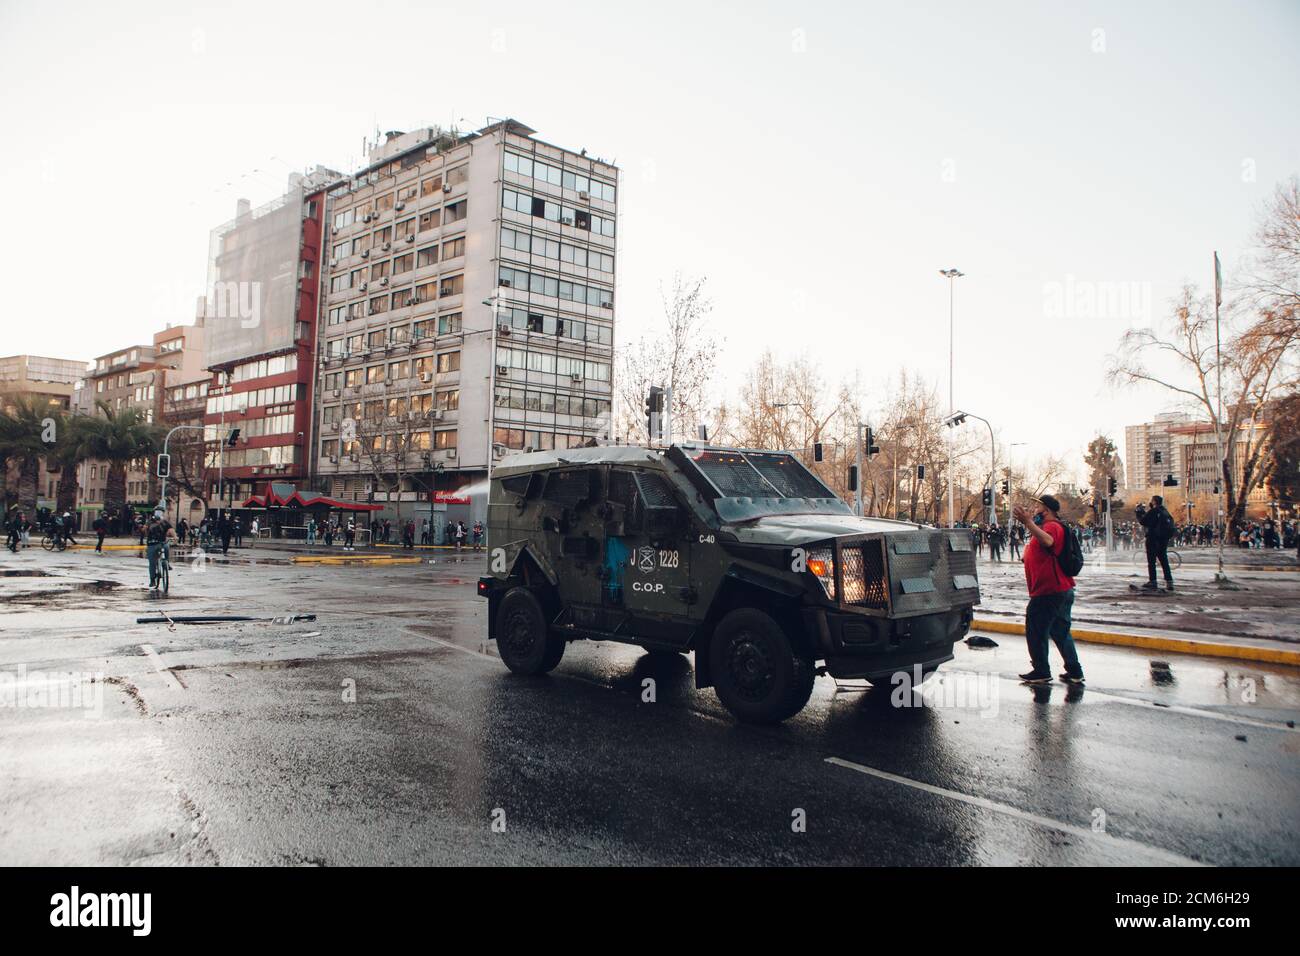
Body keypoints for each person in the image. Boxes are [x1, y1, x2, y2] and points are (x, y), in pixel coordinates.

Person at [1012, 494, 1084, 685]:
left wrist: (1028, 522)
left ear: (1046, 510)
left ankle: (1041, 670)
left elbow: (1048, 542)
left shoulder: (1052, 526)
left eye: (1037, 508)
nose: (1034, 511)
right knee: (1060, 631)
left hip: (1049, 590)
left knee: (1036, 630)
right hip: (1060, 589)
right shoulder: (1049, 527)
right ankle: (1075, 671)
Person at [1135, 495, 1175, 592]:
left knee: (1151, 561)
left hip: (1153, 538)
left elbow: (1144, 521)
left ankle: (1153, 581)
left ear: (1154, 502)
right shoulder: (1165, 511)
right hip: (1164, 539)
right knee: (1163, 560)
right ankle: (1169, 581)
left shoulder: (1154, 511)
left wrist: (1138, 513)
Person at [145, 511, 175, 590]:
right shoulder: (150, 523)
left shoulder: (164, 523)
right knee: (152, 563)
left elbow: (171, 530)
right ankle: (152, 579)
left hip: (160, 543)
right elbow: (145, 529)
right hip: (152, 544)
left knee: (166, 548)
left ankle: (166, 563)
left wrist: (175, 537)